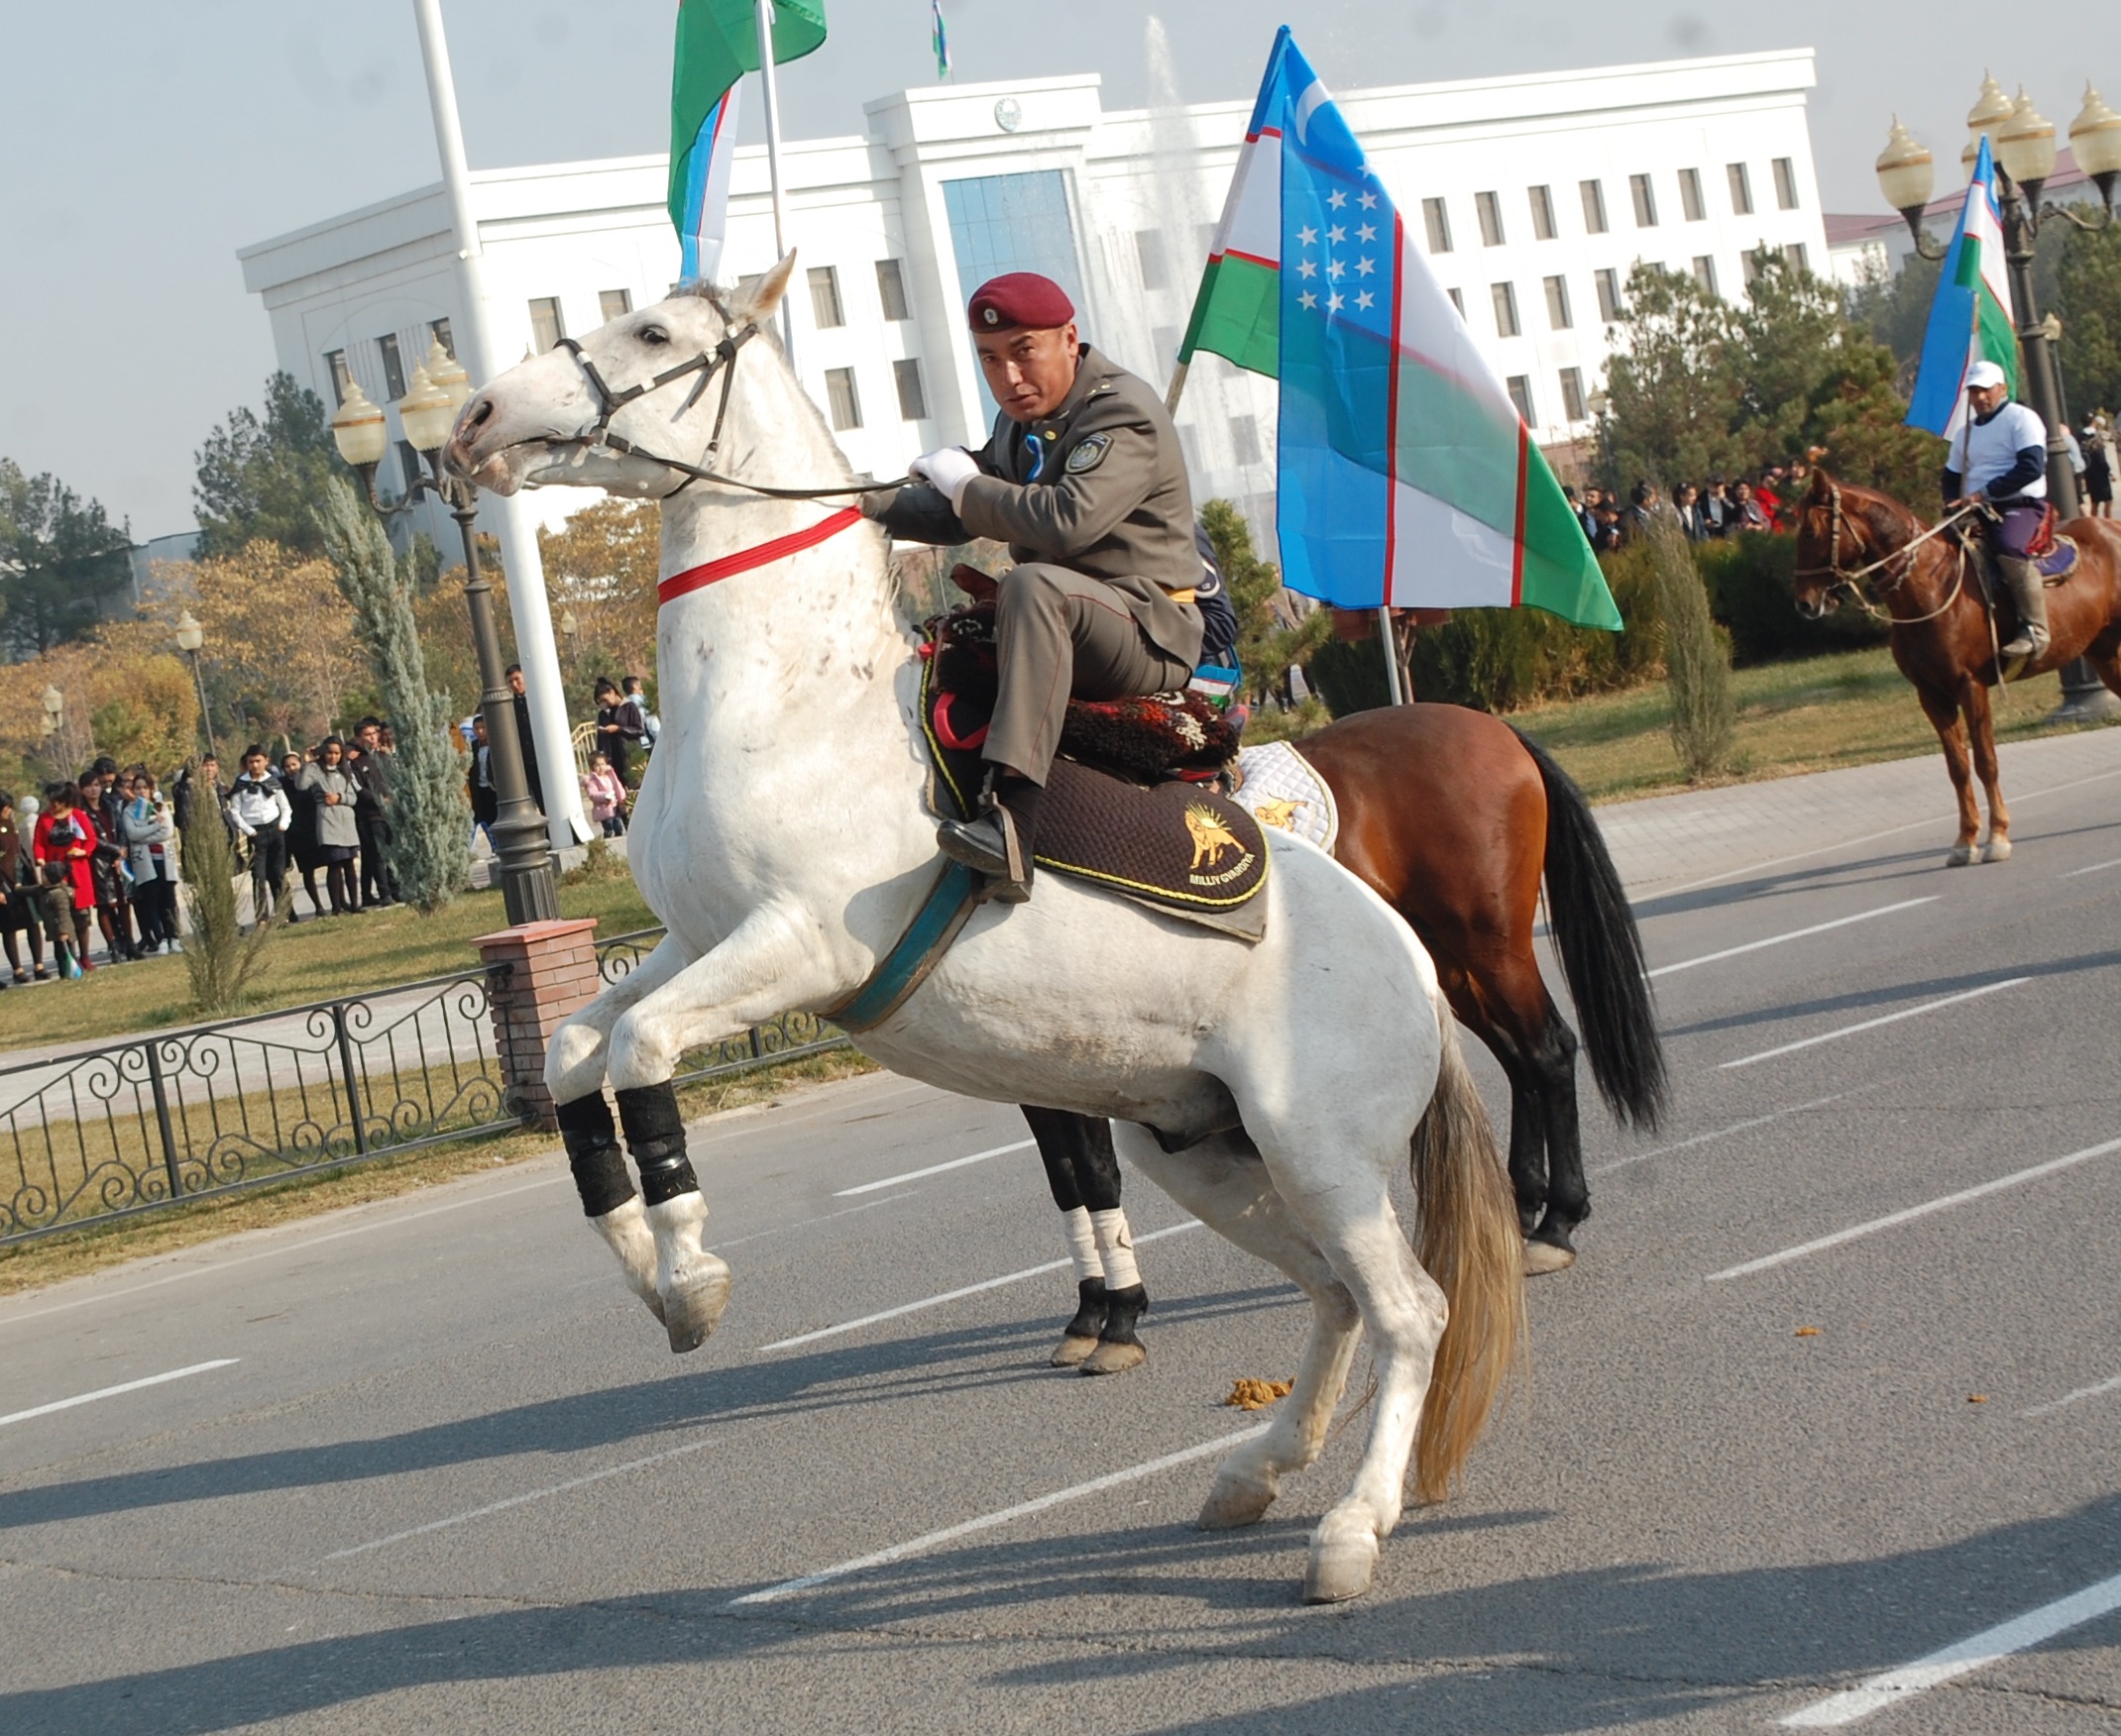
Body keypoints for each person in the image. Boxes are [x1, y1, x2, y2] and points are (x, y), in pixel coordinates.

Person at [859, 271, 1202, 898]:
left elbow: (1067, 521)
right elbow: (961, 512)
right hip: (1066, 622)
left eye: (1024, 352)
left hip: (1147, 630)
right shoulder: (1023, 422)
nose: (1009, 377)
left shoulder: (1122, 412)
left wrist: (965, 484)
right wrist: (857, 500)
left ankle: (1014, 823)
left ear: (1069, 339)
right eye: (990, 359)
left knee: (1032, 584)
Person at [1945, 357, 2054, 663]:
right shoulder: (1964, 434)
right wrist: (1949, 503)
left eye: (1985, 390)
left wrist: (1985, 493)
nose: (1979, 398)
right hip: (1976, 507)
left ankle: (2035, 629)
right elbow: (1951, 476)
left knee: (2008, 546)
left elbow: (2031, 467)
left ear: (2002, 388)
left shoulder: (2022, 418)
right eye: (1973, 391)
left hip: (2020, 504)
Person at [33, 782, 99, 974]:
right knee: (60, 916)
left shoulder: (77, 815)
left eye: (56, 801)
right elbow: (38, 843)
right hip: (55, 872)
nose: (53, 805)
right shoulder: (44, 819)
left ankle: (84, 957)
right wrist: (41, 859)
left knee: (81, 916)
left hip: (77, 871)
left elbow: (91, 839)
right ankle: (67, 958)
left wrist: (83, 851)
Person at [227, 745, 294, 926]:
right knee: (258, 876)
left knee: (278, 873)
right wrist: (250, 831)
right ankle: (262, 917)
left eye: (258, 761)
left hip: (275, 829)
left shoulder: (272, 781)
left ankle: (283, 914)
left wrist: (282, 825)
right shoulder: (241, 784)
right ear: (246, 763)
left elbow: (285, 807)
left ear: (266, 761)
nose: (255, 765)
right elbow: (235, 812)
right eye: (251, 762)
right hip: (256, 832)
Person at [299, 737, 363, 916]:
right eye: (329, 752)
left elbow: (353, 797)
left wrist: (340, 798)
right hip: (328, 820)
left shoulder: (345, 771)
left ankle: (355, 904)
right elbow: (302, 785)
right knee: (334, 864)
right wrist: (307, 764)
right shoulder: (316, 770)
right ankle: (336, 907)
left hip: (346, 820)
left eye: (336, 753)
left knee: (349, 864)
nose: (333, 757)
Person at [120, 770, 180, 952]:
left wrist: (143, 836)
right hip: (144, 862)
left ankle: (174, 937)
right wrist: (154, 826)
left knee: (168, 900)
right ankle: (160, 938)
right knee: (151, 901)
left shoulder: (161, 807)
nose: (141, 791)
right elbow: (132, 834)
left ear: (151, 789)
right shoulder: (129, 811)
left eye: (145, 787)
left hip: (164, 859)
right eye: (137, 788)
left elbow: (167, 831)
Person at [349, 717, 397, 909]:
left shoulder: (383, 756)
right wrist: (380, 800)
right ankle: (384, 893)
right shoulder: (354, 762)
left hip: (390, 813)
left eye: (374, 733)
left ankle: (397, 889)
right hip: (370, 815)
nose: (372, 738)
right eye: (367, 735)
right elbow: (358, 788)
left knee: (393, 852)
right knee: (378, 855)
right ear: (358, 738)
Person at [280, 749, 328, 919]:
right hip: (297, 833)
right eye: (287, 766)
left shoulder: (310, 780)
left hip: (317, 827)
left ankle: (336, 902)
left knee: (332, 864)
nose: (291, 768)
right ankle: (318, 906)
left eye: (294, 764)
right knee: (308, 871)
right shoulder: (282, 785)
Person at [505, 666, 544, 813]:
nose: (514, 685)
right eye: (510, 682)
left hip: (545, 757)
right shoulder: (511, 706)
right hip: (528, 761)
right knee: (540, 800)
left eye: (517, 679)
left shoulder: (538, 698)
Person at [592, 678, 641, 789]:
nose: (605, 704)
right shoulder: (604, 714)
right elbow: (601, 740)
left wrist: (619, 729)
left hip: (631, 758)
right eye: (601, 702)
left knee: (636, 789)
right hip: (613, 761)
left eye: (605, 700)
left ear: (612, 692)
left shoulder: (629, 707)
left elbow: (639, 730)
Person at [173, 755, 229, 839]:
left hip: (222, 835)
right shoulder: (189, 789)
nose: (209, 769)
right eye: (206, 765)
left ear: (217, 768)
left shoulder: (221, 788)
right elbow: (182, 818)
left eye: (212, 765)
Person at [467, 713, 499, 851]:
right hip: (480, 790)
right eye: (476, 728)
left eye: (482, 728)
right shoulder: (473, 747)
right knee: (484, 820)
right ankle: (494, 845)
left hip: (494, 790)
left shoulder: (496, 745)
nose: (480, 731)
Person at [582, 750, 627, 837]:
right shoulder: (593, 780)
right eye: (597, 765)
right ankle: (608, 836)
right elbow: (592, 794)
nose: (601, 767)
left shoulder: (610, 776)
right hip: (604, 809)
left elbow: (617, 786)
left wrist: (621, 796)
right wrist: (604, 796)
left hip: (615, 806)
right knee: (609, 826)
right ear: (592, 767)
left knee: (618, 825)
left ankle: (618, 838)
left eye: (603, 764)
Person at [2081, 418, 2112, 519]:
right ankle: (2110, 522)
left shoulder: (2081, 440)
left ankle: (2094, 521)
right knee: (2108, 502)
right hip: (2101, 477)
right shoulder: (2097, 445)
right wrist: (2108, 471)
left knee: (2095, 502)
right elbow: (2101, 461)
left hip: (2089, 475)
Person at [621, 675, 658, 756]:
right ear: (635, 686)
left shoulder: (624, 704)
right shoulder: (643, 702)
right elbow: (652, 724)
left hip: (634, 746)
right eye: (640, 686)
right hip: (648, 744)